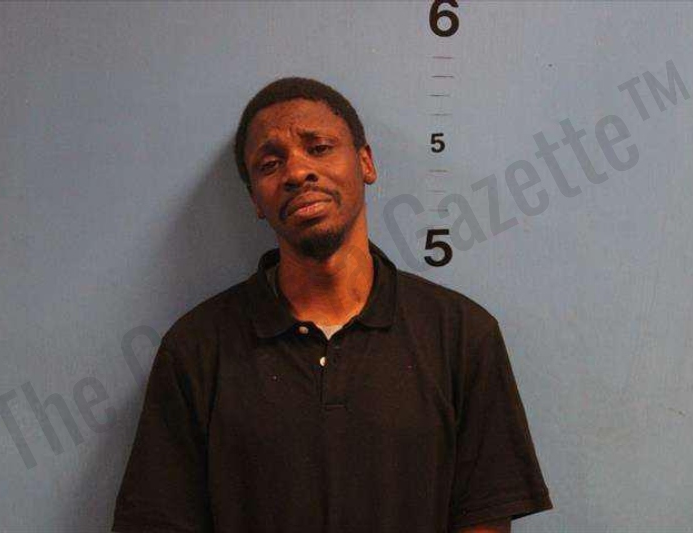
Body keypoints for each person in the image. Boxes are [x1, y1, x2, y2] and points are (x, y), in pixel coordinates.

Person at [112, 77, 553, 533]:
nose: (297, 172)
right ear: (255, 200)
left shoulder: (460, 335)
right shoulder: (196, 349)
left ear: (365, 162)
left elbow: (485, 520)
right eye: (270, 164)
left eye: (319, 148)